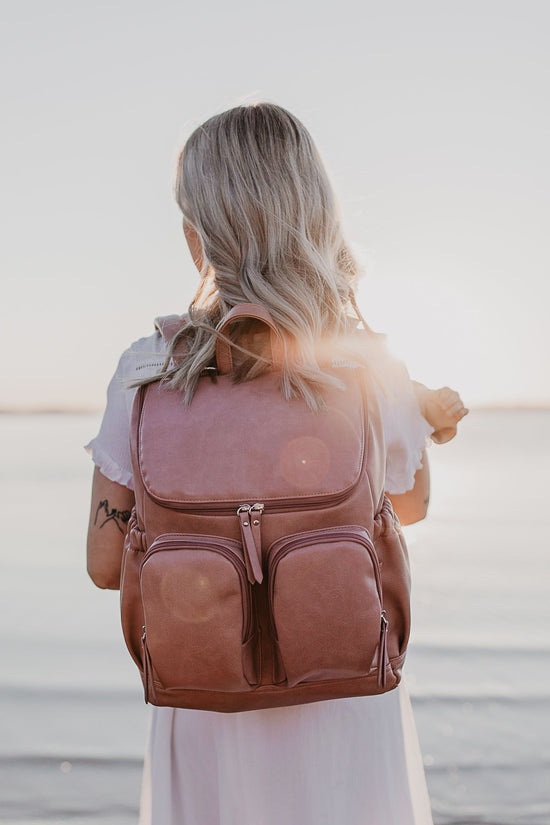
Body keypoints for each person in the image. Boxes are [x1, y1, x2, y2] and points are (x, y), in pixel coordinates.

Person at [85, 102, 468, 825]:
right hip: (345, 692)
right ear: (316, 217)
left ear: (200, 239)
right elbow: (408, 506)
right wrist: (424, 424)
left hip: (206, 702)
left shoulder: (144, 371)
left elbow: (106, 563)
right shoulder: (368, 365)